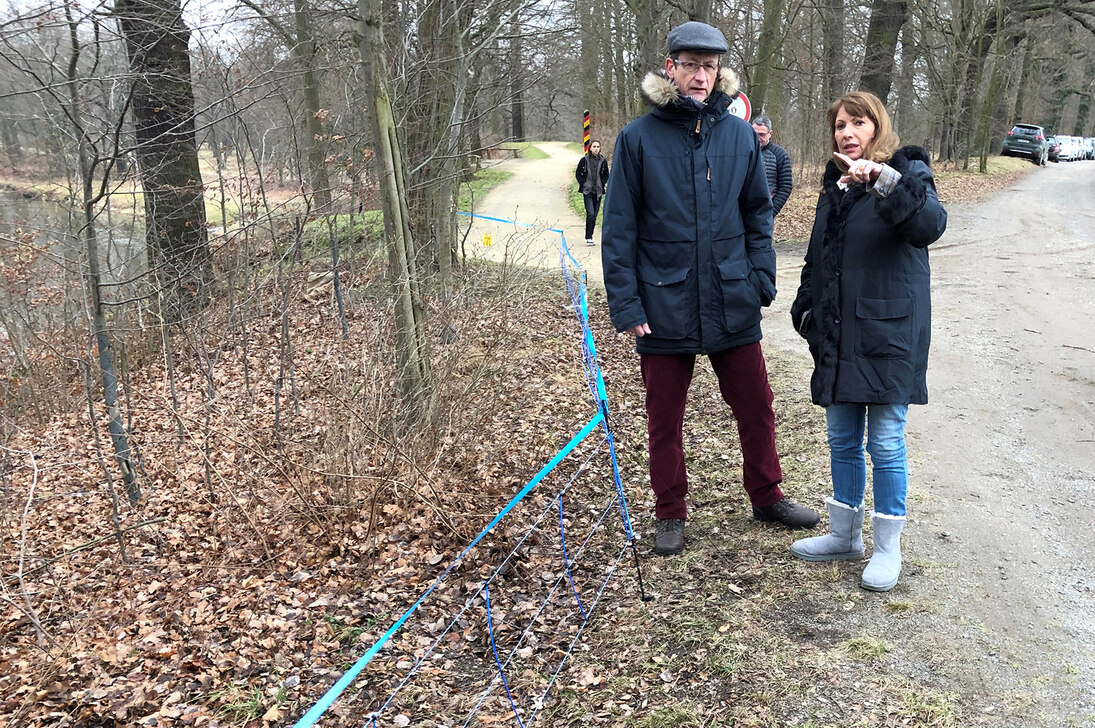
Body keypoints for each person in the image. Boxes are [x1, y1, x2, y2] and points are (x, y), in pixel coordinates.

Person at [601, 20, 820, 557]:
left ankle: (767, 496)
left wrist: (761, 277)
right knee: (663, 419)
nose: (700, 76)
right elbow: (619, 229)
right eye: (690, 65)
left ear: (720, 70)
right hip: (662, 299)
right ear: (670, 68)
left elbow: (757, 215)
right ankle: (670, 513)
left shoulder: (740, 135)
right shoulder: (637, 139)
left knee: (757, 405)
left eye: (709, 65)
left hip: (731, 295)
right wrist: (627, 303)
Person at [788, 91, 947, 591]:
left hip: (889, 336)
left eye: (858, 123)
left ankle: (886, 548)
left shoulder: (909, 173)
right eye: (840, 125)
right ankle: (843, 536)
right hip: (838, 335)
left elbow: (928, 224)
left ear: (877, 129)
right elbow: (818, 258)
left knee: (884, 442)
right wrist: (806, 308)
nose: (847, 133)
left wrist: (882, 180)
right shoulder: (832, 188)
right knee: (841, 439)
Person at [751, 114, 793, 216]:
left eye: (762, 135)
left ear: (770, 133)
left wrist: (770, 212)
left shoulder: (780, 155)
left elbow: (786, 186)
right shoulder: (743, 152)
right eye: (754, 134)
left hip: (764, 213)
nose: (757, 138)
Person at [575, 141, 610, 245]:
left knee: (594, 215)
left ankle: (590, 236)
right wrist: (583, 183)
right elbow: (578, 173)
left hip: (598, 192)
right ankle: (588, 238)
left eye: (598, 147)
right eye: (594, 147)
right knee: (590, 213)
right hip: (587, 191)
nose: (596, 149)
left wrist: (603, 183)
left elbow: (606, 175)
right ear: (590, 148)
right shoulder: (584, 160)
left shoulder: (603, 161)